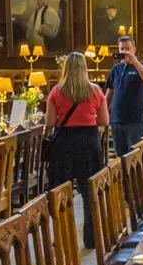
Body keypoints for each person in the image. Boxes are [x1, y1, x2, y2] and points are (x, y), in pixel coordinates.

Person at [43, 51, 109, 247]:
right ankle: (92, 237)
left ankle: (63, 236)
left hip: (64, 143)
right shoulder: (96, 91)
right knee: (89, 191)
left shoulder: (56, 91)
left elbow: (50, 122)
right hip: (88, 142)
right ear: (84, 69)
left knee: (62, 191)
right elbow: (105, 121)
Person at [106, 34, 143, 157]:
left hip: (134, 120)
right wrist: (105, 112)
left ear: (134, 49)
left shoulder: (142, 66)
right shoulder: (115, 69)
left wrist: (135, 62)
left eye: (127, 48)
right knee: (120, 156)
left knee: (134, 157)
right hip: (117, 120)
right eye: (122, 49)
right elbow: (109, 93)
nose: (124, 51)